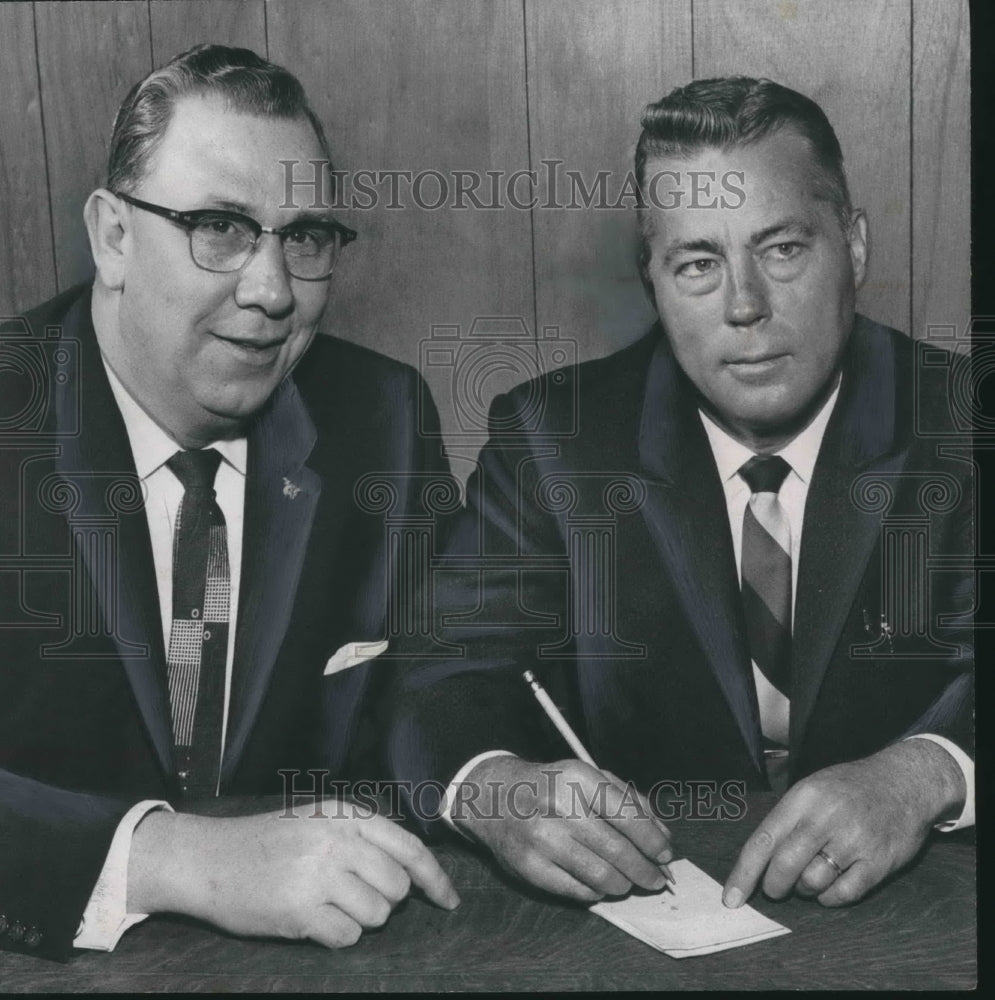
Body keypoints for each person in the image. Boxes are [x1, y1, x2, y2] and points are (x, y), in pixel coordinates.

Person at [387, 77, 974, 911]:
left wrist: (928, 775)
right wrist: (495, 787)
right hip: (646, 914)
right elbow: (438, 670)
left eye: (782, 250)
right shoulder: (555, 438)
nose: (745, 305)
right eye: (698, 264)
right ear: (652, 281)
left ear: (854, 247)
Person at [0, 44, 459, 961]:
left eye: (306, 238)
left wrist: (494, 776)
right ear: (113, 237)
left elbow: (440, 680)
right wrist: (171, 858)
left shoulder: (380, 419)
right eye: (220, 227)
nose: (273, 290)